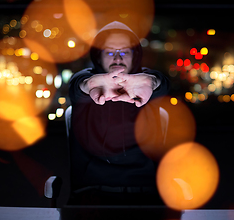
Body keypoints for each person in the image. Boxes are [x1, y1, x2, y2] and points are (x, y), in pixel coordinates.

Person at [68, 21, 170, 205]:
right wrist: (91, 85)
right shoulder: (87, 79)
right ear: (98, 56)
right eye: (109, 52)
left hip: (146, 196)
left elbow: (161, 84)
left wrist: (151, 83)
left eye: (124, 51)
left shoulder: (145, 81)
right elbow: (78, 86)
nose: (117, 58)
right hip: (91, 195)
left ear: (135, 55)